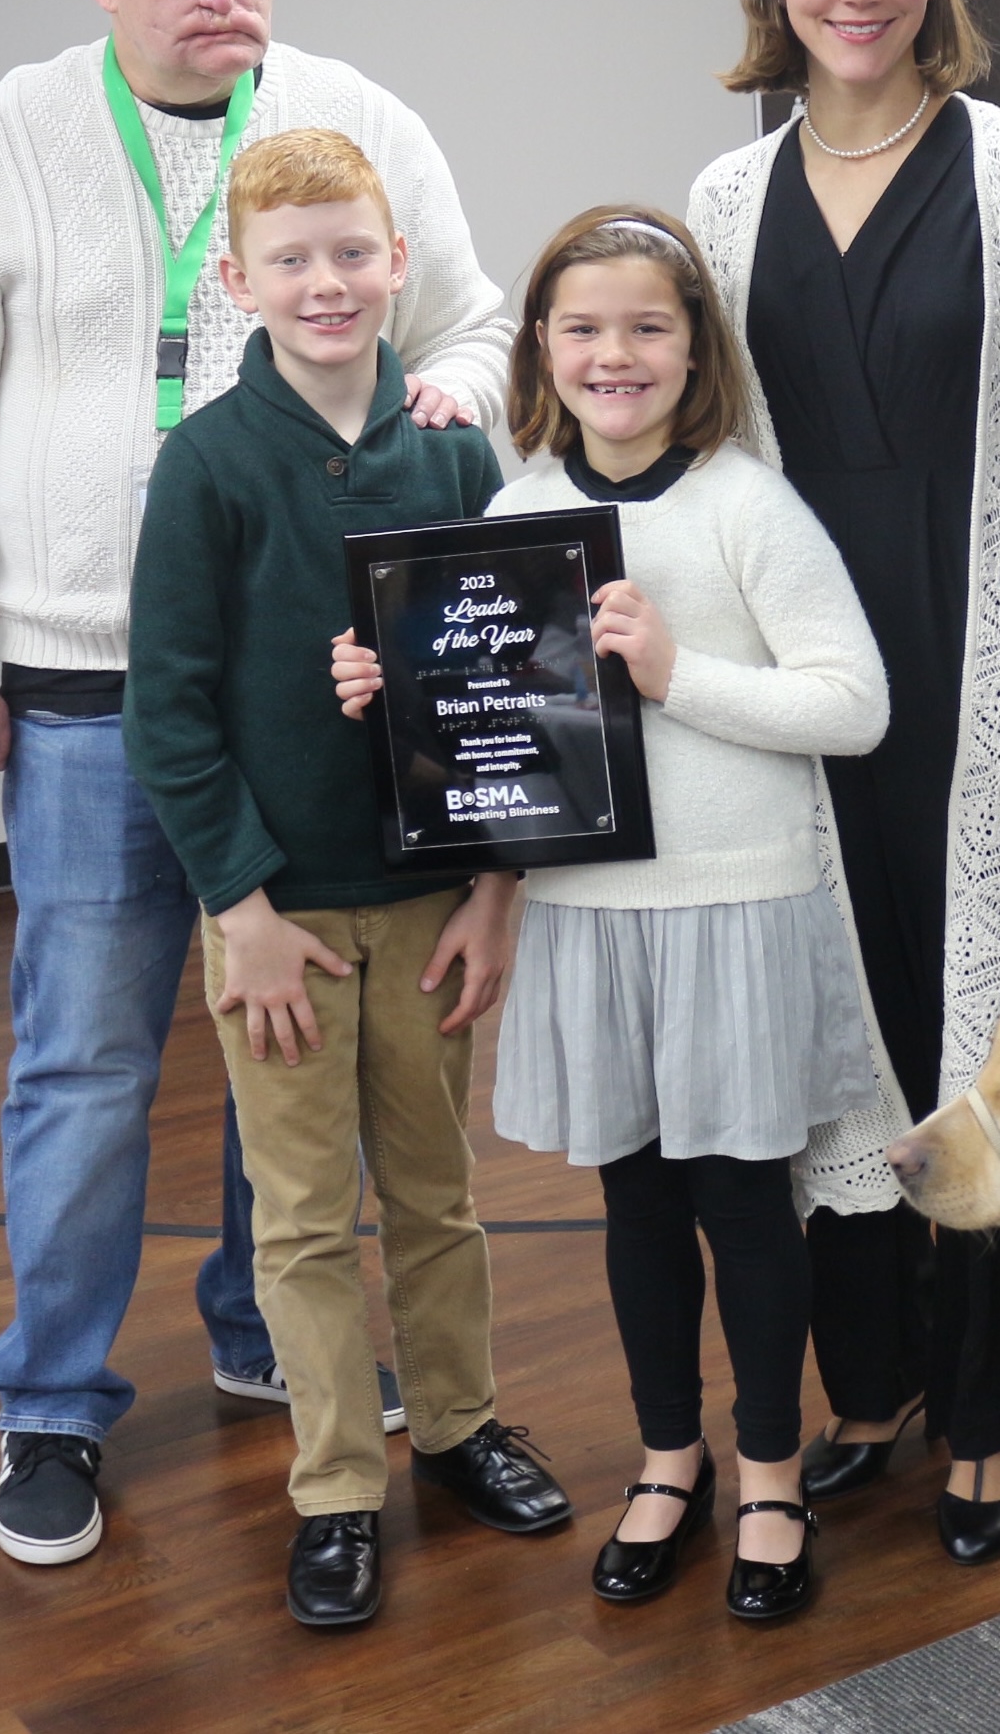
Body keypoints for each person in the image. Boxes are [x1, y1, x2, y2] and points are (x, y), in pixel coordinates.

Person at [0, 0, 512, 1567]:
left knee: (280, 1040)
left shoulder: (358, 116)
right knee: (84, 1064)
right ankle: (53, 1400)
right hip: (82, 694)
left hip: (317, 701)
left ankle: (256, 1327)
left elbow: (472, 320)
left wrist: (445, 393)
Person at [337, 206, 889, 1619]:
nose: (614, 353)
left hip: (734, 907)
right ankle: (668, 1456)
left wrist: (677, 671)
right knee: (634, 1205)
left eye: (648, 325)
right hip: (590, 917)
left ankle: (768, 1469)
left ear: (695, 346)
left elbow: (855, 704)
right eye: (583, 327)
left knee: (744, 1209)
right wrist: (395, 698)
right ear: (542, 347)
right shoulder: (520, 517)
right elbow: (503, 738)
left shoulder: (745, 504)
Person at [686, 0, 1000, 1565]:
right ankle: (871, 1384)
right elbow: (673, 443)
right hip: (798, 693)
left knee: (982, 1032)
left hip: (983, 673)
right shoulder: (718, 199)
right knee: (827, 1029)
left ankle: (993, 1412)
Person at [122, 128, 569, 1628]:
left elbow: (505, 681)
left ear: (399, 263)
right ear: (240, 279)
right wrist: (237, 908)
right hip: (282, 923)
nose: (329, 283)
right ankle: (333, 1488)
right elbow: (167, 710)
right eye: (294, 260)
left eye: (354, 253)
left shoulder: (453, 448)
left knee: (440, 1193)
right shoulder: (207, 466)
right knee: (304, 1216)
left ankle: (456, 1426)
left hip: (430, 901)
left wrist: (498, 885)